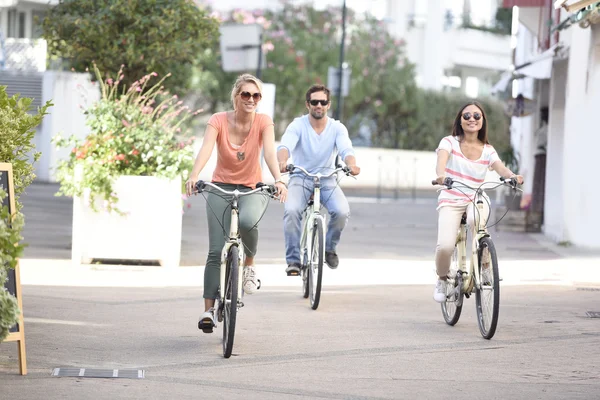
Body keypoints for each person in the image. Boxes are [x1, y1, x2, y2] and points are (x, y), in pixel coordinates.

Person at [185, 73, 288, 332]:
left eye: (256, 95)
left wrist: (279, 179)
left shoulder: (264, 122)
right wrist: (194, 175)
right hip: (220, 186)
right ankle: (208, 310)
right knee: (214, 250)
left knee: (246, 221)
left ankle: (249, 267)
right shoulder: (218, 120)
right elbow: (206, 148)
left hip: (252, 187)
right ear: (236, 96)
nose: (251, 99)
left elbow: (269, 152)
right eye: (246, 94)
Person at [433, 101, 523, 303]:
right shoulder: (449, 142)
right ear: (460, 121)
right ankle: (441, 277)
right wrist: (441, 176)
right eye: (466, 116)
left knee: (477, 223)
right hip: (451, 197)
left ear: (482, 121)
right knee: (445, 246)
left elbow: (500, 168)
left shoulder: (488, 150)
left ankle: (485, 267)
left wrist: (512, 176)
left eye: (476, 116)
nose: (472, 119)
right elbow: (441, 162)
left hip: (476, 198)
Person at [276, 84, 360, 276]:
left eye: (323, 102)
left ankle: (329, 248)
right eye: (314, 102)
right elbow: (285, 146)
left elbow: (347, 150)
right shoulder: (297, 125)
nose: (319, 105)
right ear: (308, 104)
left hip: (327, 179)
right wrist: (282, 161)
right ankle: (294, 260)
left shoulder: (337, 128)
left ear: (328, 105)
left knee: (341, 211)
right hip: (300, 177)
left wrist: (352, 165)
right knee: (291, 211)